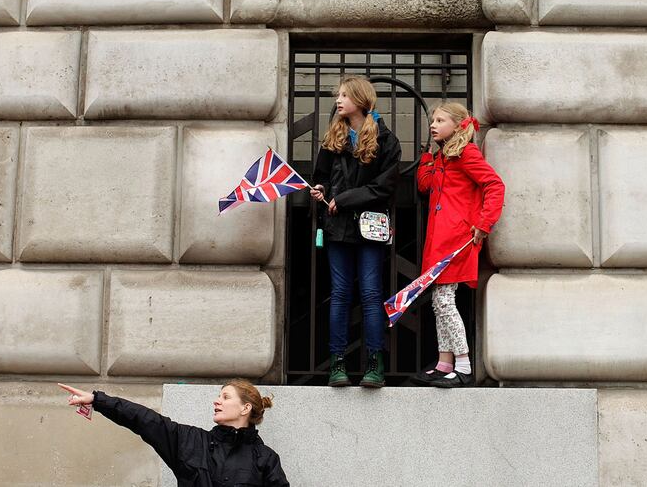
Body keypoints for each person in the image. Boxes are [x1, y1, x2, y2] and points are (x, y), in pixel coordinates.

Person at [310, 76, 402, 388]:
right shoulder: (333, 136)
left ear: (361, 99)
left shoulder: (385, 139)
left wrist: (345, 199)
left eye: (345, 95)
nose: (339, 100)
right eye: (338, 95)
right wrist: (319, 190)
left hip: (370, 227)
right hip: (337, 228)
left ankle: (374, 365)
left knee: (371, 293)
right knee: (340, 294)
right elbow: (320, 176)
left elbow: (385, 187)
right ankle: (338, 364)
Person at [412, 102, 505, 388]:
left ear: (457, 124)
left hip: (457, 239)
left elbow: (495, 185)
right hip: (439, 239)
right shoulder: (444, 156)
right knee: (439, 303)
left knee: (444, 301)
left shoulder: (466, 153)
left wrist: (484, 223)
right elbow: (425, 185)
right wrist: (428, 155)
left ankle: (463, 364)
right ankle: (444, 362)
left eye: (440, 120)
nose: (433, 125)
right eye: (433, 120)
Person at [58, 380, 289, 486]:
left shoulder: (265, 459)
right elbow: (144, 420)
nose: (216, 401)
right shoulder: (190, 441)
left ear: (245, 408)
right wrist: (98, 400)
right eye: (219, 396)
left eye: (225, 397)